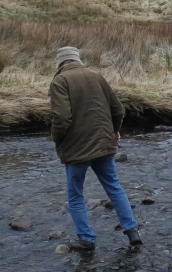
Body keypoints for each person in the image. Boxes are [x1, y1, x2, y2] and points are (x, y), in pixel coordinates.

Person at [49, 46, 142, 251]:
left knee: (75, 195)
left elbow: (62, 118)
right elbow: (118, 110)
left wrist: (57, 140)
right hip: (104, 145)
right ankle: (132, 231)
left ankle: (87, 239)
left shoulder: (59, 81)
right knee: (114, 188)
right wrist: (114, 131)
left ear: (59, 64)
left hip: (77, 150)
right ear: (77, 60)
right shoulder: (97, 76)